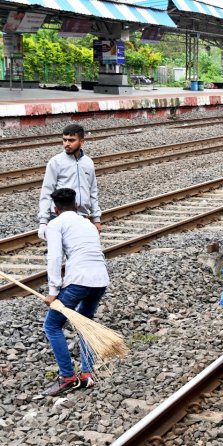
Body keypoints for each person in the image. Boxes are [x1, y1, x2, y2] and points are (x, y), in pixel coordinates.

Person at [42, 188, 110, 397]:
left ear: (55, 209)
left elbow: (54, 258)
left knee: (52, 325)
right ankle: (86, 374)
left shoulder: (55, 224)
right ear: (77, 205)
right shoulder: (88, 224)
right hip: (100, 279)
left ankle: (68, 377)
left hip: (78, 281)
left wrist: (53, 291)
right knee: (85, 324)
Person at [38, 124, 102, 240]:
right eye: (64, 140)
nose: (67, 144)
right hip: (59, 216)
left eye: (71, 140)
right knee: (59, 254)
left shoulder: (88, 163)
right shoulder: (55, 162)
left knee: (79, 254)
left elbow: (93, 191)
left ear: (82, 142)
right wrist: (43, 221)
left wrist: (96, 219)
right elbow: (47, 191)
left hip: (82, 216)